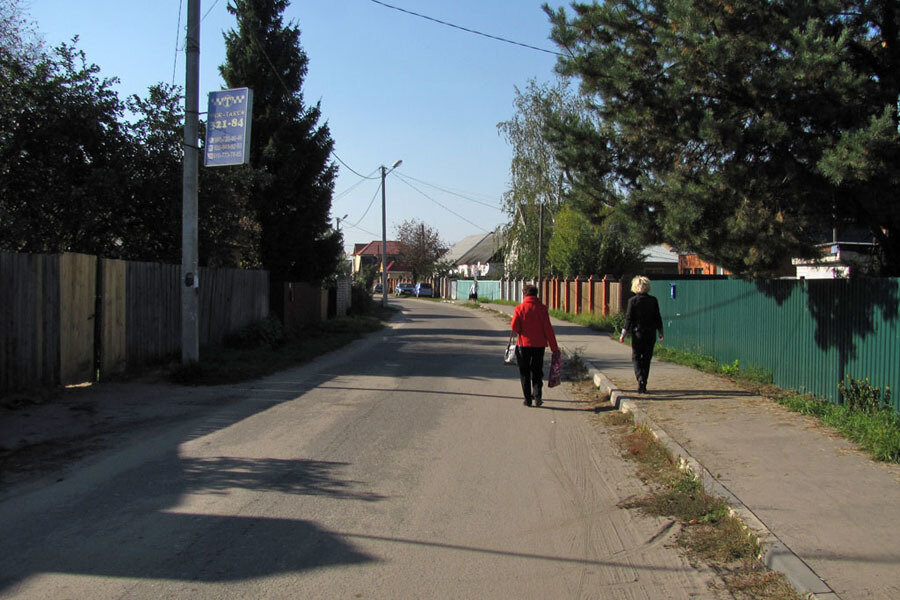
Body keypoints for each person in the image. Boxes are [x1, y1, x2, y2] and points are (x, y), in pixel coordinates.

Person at [510, 284, 559, 407]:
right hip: (539, 345)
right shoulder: (542, 309)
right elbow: (548, 329)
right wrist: (554, 348)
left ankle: (527, 400)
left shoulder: (519, 309)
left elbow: (514, 327)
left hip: (523, 345)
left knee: (525, 372)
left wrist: (521, 330)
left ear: (525, 294)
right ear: (536, 295)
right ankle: (537, 397)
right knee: (537, 371)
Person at [619, 275, 664, 394]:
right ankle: (644, 381)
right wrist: (660, 331)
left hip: (638, 333)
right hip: (650, 333)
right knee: (647, 358)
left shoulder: (632, 301)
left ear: (635, 287)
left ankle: (640, 379)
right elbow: (657, 317)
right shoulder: (653, 300)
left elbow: (628, 318)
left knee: (636, 357)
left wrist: (623, 333)